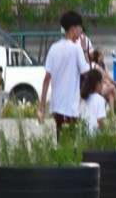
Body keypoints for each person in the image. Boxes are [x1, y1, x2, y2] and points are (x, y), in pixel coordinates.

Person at [39, 10, 91, 139]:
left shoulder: (54, 48)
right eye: (80, 28)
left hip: (56, 104)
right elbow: (88, 73)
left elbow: (47, 78)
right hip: (70, 105)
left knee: (61, 138)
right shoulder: (76, 49)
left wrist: (42, 105)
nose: (81, 31)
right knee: (70, 141)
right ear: (73, 29)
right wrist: (85, 50)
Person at [90, 48, 116, 112]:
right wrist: (109, 82)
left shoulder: (102, 65)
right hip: (96, 89)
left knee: (110, 96)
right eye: (101, 55)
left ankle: (113, 115)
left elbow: (107, 75)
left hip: (103, 86)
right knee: (113, 87)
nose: (103, 57)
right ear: (97, 57)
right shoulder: (95, 66)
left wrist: (111, 81)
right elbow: (103, 76)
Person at [79, 68, 107, 135]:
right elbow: (100, 120)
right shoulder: (100, 99)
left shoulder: (83, 98)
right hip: (94, 135)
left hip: (82, 134)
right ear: (98, 84)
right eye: (102, 82)